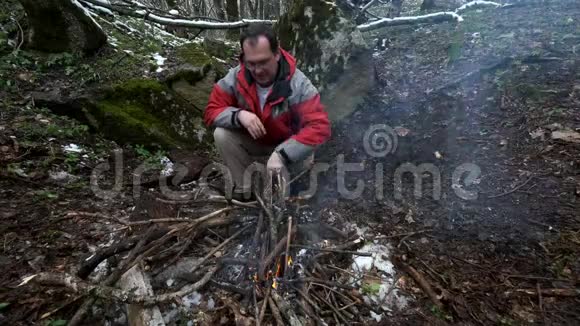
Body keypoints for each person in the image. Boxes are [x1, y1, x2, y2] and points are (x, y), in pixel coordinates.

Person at [204, 24, 331, 201]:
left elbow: (320, 128)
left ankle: (283, 194)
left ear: (277, 54)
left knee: (282, 197)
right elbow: (211, 111)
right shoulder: (235, 78)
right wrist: (238, 115)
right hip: (258, 140)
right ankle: (245, 190)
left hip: (290, 148)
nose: (257, 70)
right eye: (251, 63)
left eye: (263, 62)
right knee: (222, 134)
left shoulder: (299, 85)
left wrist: (282, 154)